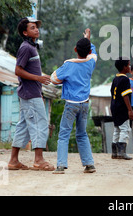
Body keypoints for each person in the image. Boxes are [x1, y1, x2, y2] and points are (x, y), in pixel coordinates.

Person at [8, 17, 54, 171]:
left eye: (36, 27)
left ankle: (13, 160)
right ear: (25, 32)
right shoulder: (26, 48)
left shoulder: (32, 47)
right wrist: (38, 78)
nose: (36, 30)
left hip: (32, 93)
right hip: (30, 94)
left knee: (24, 126)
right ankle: (39, 160)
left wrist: (38, 86)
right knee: (40, 124)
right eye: (32, 28)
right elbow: (18, 70)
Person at [51, 29, 97, 174]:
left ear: (75, 50)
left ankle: (61, 165)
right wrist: (88, 39)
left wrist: (64, 80)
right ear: (89, 50)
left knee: (64, 133)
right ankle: (89, 164)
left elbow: (53, 79)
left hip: (71, 104)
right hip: (85, 104)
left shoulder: (69, 65)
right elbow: (94, 53)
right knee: (82, 134)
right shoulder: (90, 63)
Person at [110, 57, 133, 160]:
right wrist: (130, 110)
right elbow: (125, 96)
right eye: (129, 65)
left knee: (117, 129)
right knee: (125, 128)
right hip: (122, 108)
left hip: (114, 106)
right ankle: (121, 152)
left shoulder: (115, 78)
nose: (130, 67)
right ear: (125, 67)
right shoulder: (125, 79)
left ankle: (114, 153)